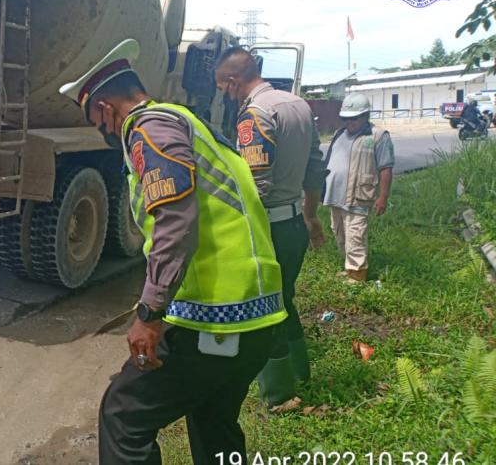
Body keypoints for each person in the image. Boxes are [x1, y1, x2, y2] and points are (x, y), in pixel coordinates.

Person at [60, 39, 286, 464]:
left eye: (93, 118)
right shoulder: (188, 122)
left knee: (124, 416)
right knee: (213, 423)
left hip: (216, 319)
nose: (99, 130)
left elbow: (176, 224)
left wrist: (150, 313)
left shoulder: (148, 128)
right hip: (257, 317)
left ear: (105, 108)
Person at [214, 47, 327, 407]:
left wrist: (231, 232)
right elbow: (314, 168)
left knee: (267, 309)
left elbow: (255, 185)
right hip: (294, 222)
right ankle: (299, 370)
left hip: (270, 229)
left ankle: (279, 395)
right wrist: (310, 217)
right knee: (286, 300)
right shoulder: (298, 105)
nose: (224, 95)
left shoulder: (255, 114)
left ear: (233, 82)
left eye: (223, 87)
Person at [323, 93, 395, 284]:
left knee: (355, 233)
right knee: (339, 231)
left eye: (354, 118)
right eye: (346, 118)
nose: (350, 123)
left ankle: (358, 274)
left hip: (358, 195)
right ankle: (349, 268)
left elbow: (386, 168)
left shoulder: (377, 136)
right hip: (335, 196)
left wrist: (383, 197)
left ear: (365, 116)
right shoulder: (339, 134)